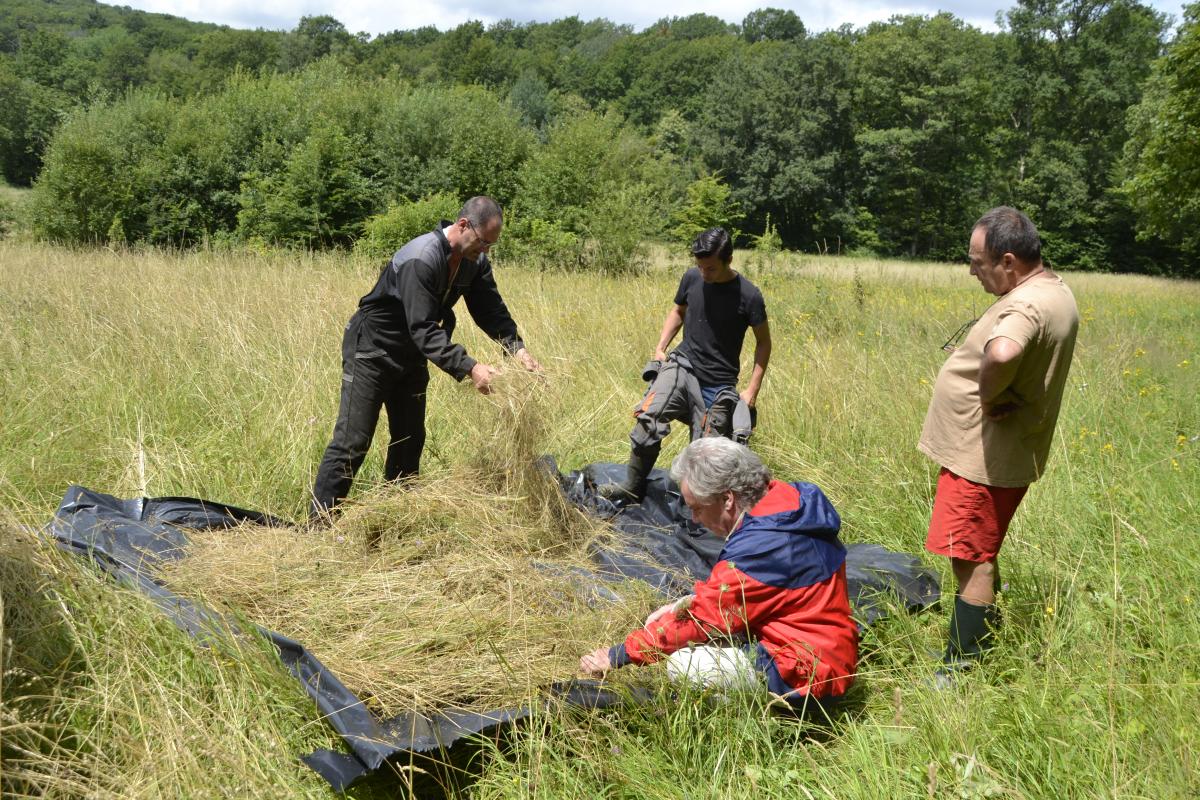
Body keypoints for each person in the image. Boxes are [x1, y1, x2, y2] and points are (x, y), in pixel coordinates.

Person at [580, 438, 858, 709]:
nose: (695, 520)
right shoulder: (791, 506)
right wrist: (678, 604)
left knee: (686, 666)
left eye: (698, 509)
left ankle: (739, 715)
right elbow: (754, 594)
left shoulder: (760, 550)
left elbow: (702, 621)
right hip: (831, 652)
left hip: (808, 676)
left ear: (727, 499)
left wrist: (619, 654)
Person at [919, 206, 1078, 678]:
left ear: (1009, 261)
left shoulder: (1025, 304)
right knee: (977, 549)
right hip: (993, 452)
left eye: (977, 261)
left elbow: (1005, 350)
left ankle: (959, 668)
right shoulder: (1051, 289)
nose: (971, 270)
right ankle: (976, 641)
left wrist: (988, 397)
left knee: (970, 559)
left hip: (982, 457)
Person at [310, 196, 541, 519]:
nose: (486, 250)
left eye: (492, 245)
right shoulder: (422, 257)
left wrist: (516, 349)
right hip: (372, 349)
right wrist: (470, 368)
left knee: (409, 438)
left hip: (412, 353)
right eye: (483, 242)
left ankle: (396, 518)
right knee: (353, 440)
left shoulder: (475, 261)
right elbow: (422, 328)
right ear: (463, 226)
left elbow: (491, 310)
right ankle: (319, 526)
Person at [599, 228, 771, 503]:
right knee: (648, 419)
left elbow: (764, 343)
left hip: (718, 382)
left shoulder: (749, 295)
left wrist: (751, 391)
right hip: (682, 364)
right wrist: (660, 347)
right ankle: (633, 486)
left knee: (706, 457)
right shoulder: (692, 277)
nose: (704, 273)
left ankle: (697, 510)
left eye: (711, 268)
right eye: (700, 266)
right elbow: (679, 310)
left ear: (729, 259)